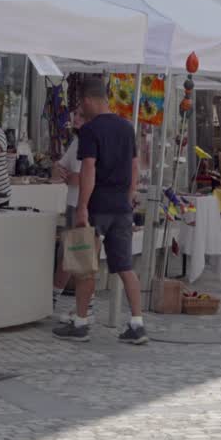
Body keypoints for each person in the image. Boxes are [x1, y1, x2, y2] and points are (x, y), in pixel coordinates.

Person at [53, 78, 145, 344]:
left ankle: (81, 322)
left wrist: (82, 206)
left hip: (98, 205)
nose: (81, 107)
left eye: (82, 102)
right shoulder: (127, 128)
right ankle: (137, 323)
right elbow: (134, 167)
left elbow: (88, 169)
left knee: (85, 266)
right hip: (120, 207)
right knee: (125, 267)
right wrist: (128, 198)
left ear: (91, 100)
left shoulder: (91, 131)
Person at [51, 110, 89, 318]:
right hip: (73, 203)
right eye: (75, 114)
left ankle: (84, 308)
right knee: (68, 253)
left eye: (80, 115)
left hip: (84, 204)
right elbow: (61, 167)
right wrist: (59, 169)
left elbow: (85, 176)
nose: (75, 118)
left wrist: (72, 176)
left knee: (77, 255)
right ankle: (55, 297)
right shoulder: (77, 141)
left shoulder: (90, 142)